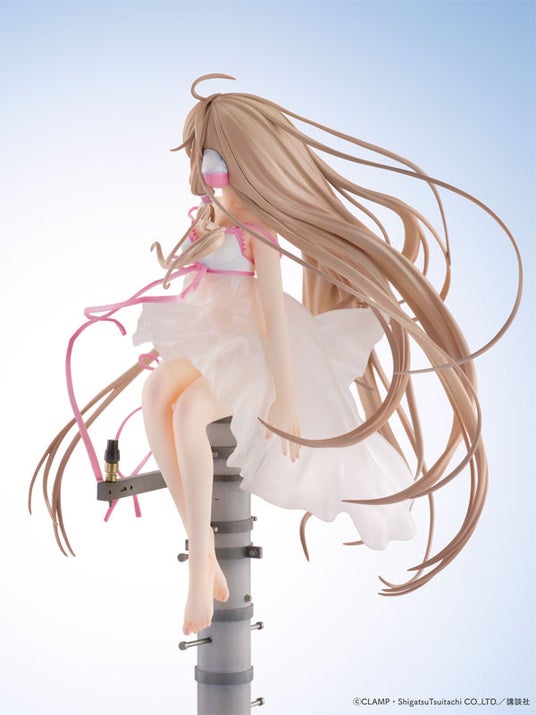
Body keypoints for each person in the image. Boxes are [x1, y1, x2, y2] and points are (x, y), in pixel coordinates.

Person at [30, 74, 522, 636]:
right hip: (213, 331)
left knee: (190, 412)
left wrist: (285, 395)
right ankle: (201, 546)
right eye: (201, 154)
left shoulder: (259, 228)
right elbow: (195, 284)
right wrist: (186, 263)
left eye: (213, 154)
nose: (204, 166)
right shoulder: (211, 217)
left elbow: (269, 313)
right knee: (154, 392)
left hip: (258, 345)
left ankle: (200, 566)